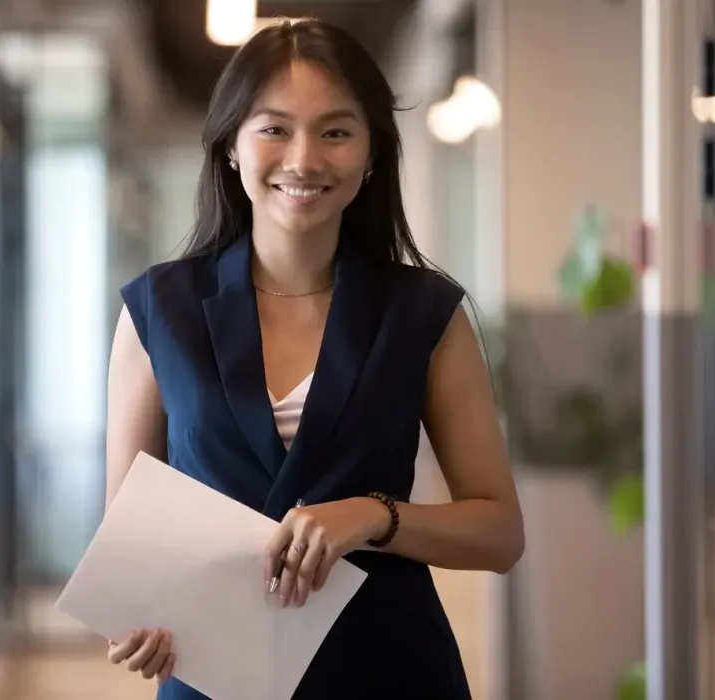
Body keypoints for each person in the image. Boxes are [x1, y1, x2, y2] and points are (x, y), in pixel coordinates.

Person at [103, 17, 524, 700]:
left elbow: (499, 532)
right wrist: (134, 621)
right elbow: (124, 547)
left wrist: (372, 515)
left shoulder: (425, 313)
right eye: (273, 129)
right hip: (214, 678)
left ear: (371, 155)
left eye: (334, 131)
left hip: (388, 670)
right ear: (232, 148)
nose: (303, 159)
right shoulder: (159, 310)